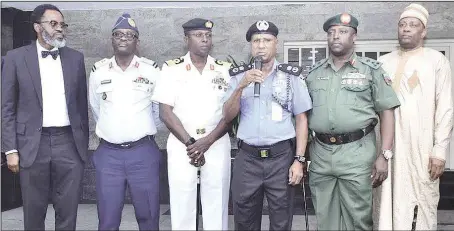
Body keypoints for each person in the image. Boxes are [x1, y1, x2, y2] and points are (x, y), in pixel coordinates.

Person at [305, 13, 400, 230]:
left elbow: (387, 113)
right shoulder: (313, 73)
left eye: (342, 32)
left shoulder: (371, 70)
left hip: (356, 153)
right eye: (331, 33)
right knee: (325, 217)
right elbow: (302, 116)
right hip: (320, 154)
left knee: (358, 218)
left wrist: (384, 155)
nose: (335, 37)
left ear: (354, 37)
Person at [1, 4, 89, 230]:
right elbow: (7, 107)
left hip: (68, 143)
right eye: (54, 24)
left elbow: (80, 106)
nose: (60, 28)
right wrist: (10, 150)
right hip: (32, 144)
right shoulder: (15, 58)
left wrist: (82, 145)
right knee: (33, 209)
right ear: (37, 27)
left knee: (68, 209)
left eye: (62, 24)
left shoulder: (76, 59)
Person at [223, 20, 312, 230]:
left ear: (276, 43)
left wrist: (299, 160)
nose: (261, 45)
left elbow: (302, 119)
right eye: (256, 41)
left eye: (266, 40)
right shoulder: (238, 76)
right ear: (250, 45)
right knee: (244, 220)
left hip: (281, 159)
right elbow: (227, 116)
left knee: (281, 221)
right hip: (247, 159)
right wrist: (241, 86)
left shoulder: (291, 76)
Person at [375, 4, 453, 230]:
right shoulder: (383, 62)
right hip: (387, 146)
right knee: (385, 198)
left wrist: (439, 151)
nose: (406, 29)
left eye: (413, 25)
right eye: (402, 25)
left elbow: (446, 108)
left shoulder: (436, 60)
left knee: (421, 200)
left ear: (424, 31)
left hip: (422, 147)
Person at [151, 18, 232, 230]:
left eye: (208, 36)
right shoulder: (171, 69)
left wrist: (206, 142)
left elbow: (230, 113)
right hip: (182, 145)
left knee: (217, 202)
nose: (204, 39)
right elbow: (165, 112)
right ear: (186, 39)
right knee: (182, 201)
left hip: (216, 143)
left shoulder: (224, 70)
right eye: (198, 35)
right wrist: (191, 143)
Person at [88, 13, 163, 230]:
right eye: (118, 34)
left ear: (137, 42)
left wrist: (142, 131)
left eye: (129, 35)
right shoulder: (98, 71)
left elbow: (159, 110)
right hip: (108, 155)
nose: (123, 38)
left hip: (143, 153)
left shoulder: (151, 70)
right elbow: (96, 108)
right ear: (111, 39)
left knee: (148, 217)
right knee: (107, 219)